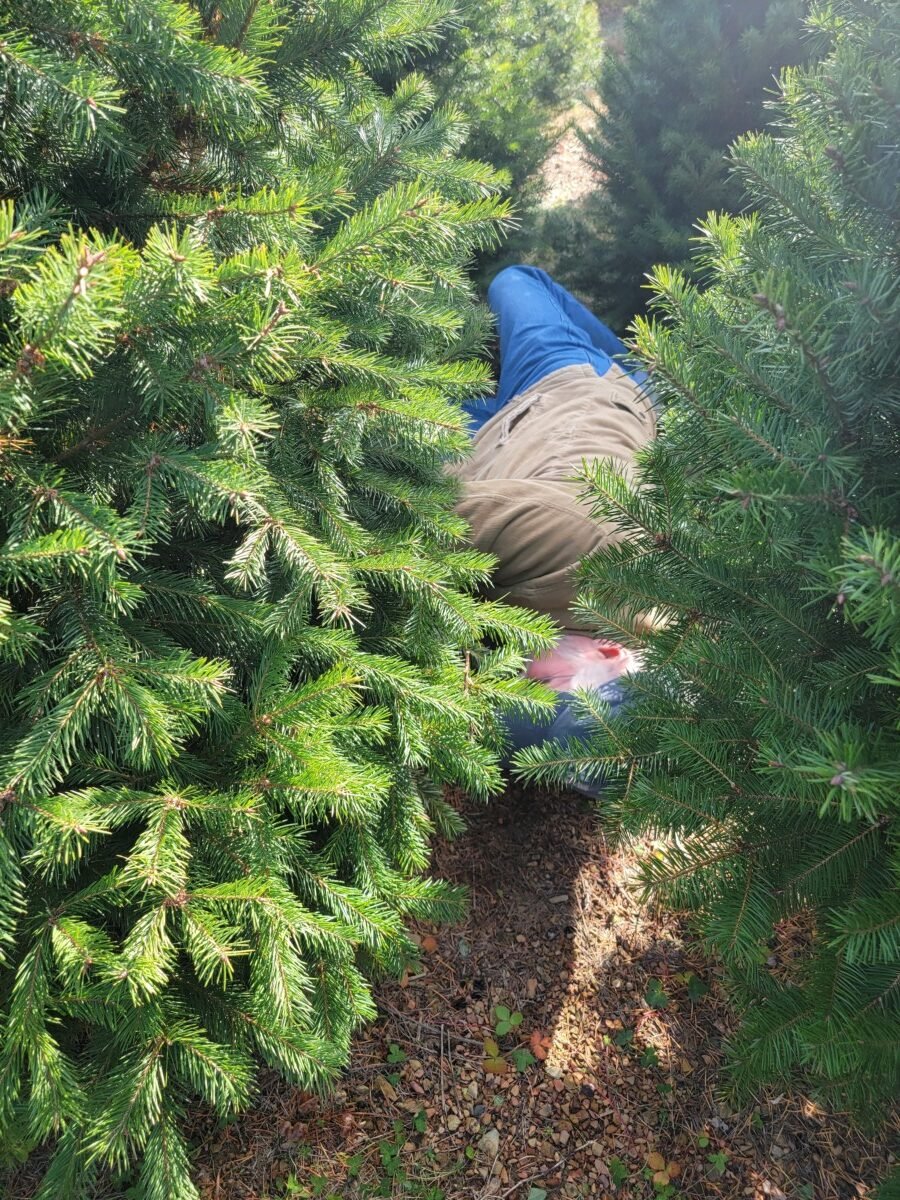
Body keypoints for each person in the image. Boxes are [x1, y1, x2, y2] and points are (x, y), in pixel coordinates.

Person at [447, 266, 658, 764]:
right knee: (513, 282)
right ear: (609, 651)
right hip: (564, 393)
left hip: (488, 448)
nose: (515, 679)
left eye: (514, 697)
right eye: (547, 684)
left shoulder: (546, 648)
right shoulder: (587, 543)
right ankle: (642, 371)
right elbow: (406, 518)